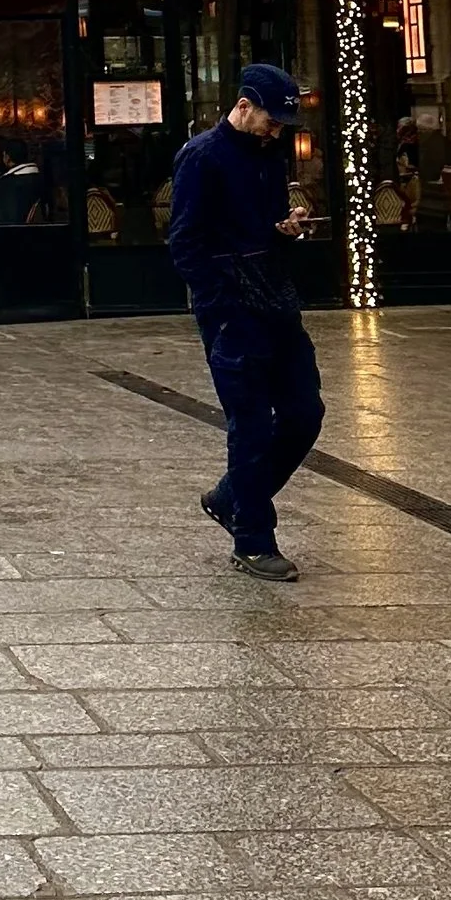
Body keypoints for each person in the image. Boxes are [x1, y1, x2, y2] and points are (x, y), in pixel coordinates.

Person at [165, 64, 323, 583]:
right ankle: (254, 538)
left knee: (305, 413)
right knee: (251, 422)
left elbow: (267, 224)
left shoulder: (269, 156)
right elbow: (184, 240)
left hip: (276, 297)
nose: (275, 131)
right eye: (270, 121)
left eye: (282, 125)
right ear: (243, 105)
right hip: (233, 306)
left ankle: (231, 497)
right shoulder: (202, 156)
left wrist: (286, 230)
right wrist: (218, 302)